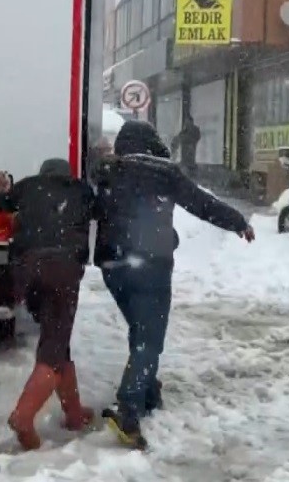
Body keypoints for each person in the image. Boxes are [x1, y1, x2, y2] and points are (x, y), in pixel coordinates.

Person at [93, 120, 254, 449]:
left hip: (112, 266)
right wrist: (237, 221)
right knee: (149, 338)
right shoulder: (164, 171)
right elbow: (201, 203)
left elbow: (92, 201)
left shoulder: (108, 170)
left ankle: (148, 392)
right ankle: (129, 407)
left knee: (141, 329)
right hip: (149, 265)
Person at [0, 158, 95, 450]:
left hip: (26, 272)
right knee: (53, 346)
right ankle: (23, 416)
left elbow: (2, 202)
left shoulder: (28, 186)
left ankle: (73, 413)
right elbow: (103, 211)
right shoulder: (81, 191)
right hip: (62, 269)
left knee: (57, 340)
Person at [170, 112, 201, 176]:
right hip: (185, 160)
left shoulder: (194, 130)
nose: (186, 124)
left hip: (190, 160)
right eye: (185, 122)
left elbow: (193, 138)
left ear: (191, 122)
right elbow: (177, 139)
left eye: (187, 122)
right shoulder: (184, 131)